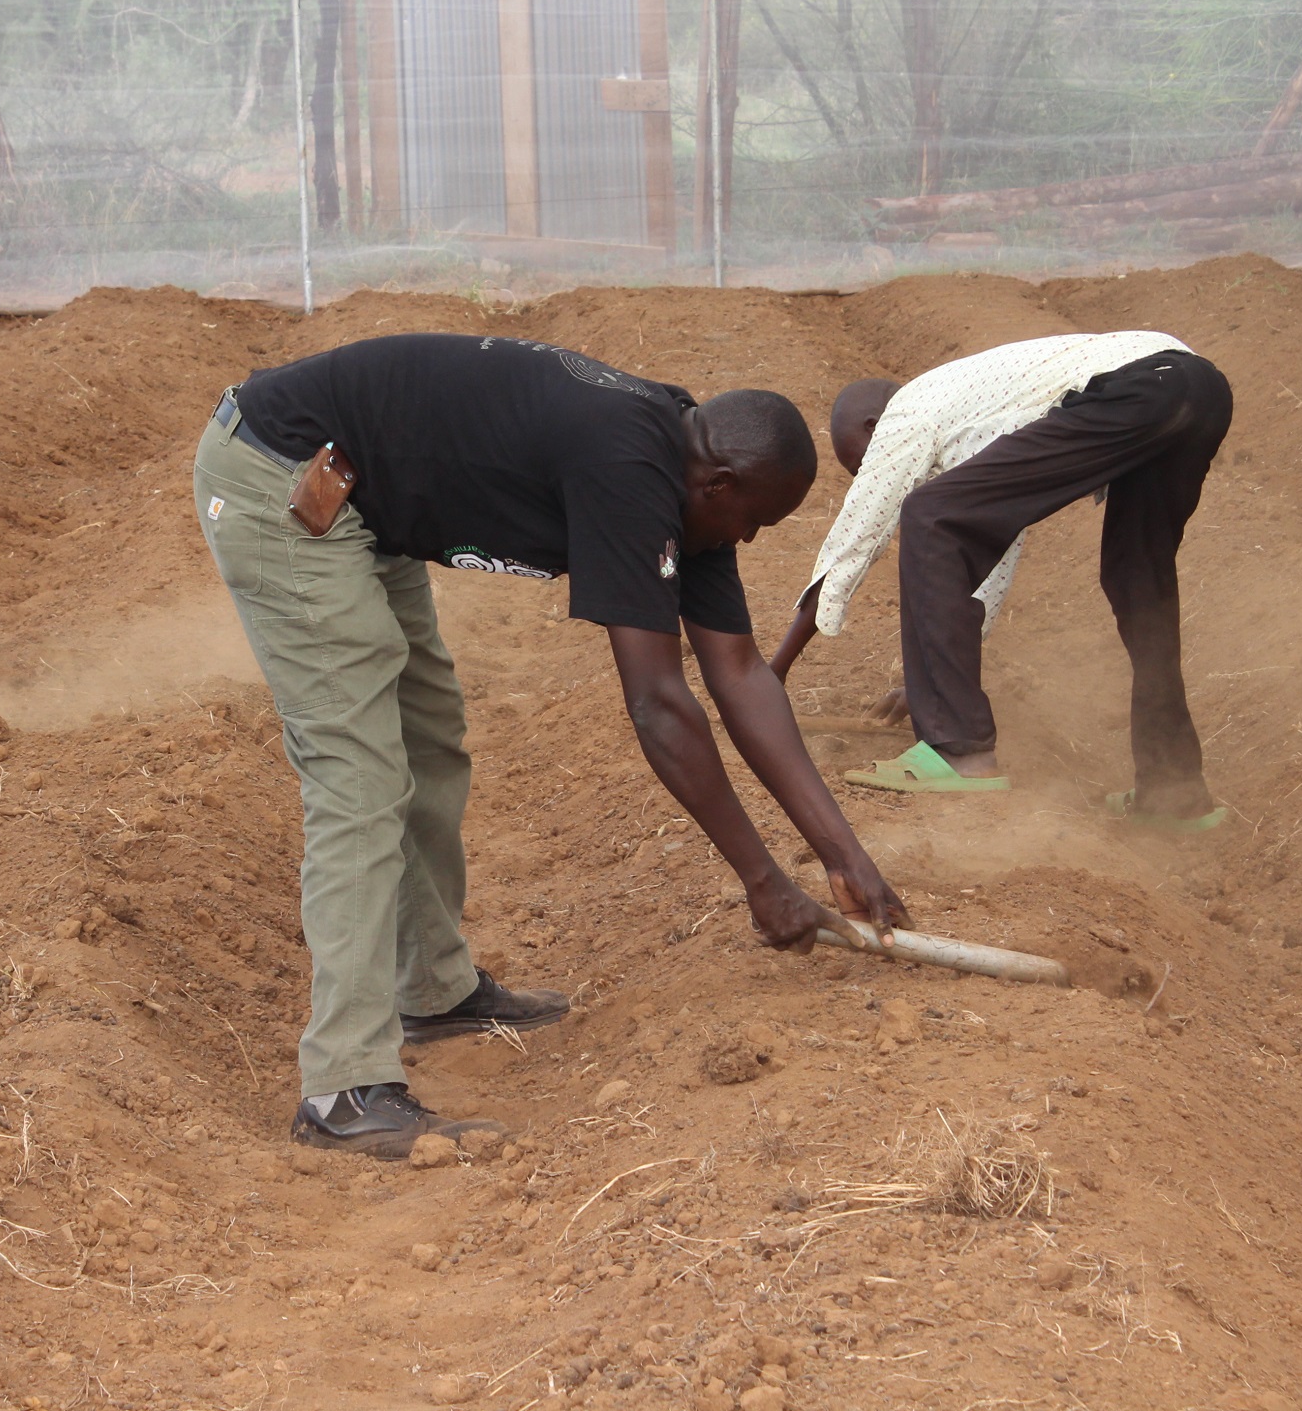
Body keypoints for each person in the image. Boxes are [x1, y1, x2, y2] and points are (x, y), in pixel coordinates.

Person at [194, 333, 909, 1159]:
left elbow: (740, 673)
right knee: (359, 775)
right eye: (754, 522)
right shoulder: (631, 470)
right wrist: (764, 881)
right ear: (719, 484)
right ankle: (342, 1087)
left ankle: (432, 987)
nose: (747, 541)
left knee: (426, 741)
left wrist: (841, 852)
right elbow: (660, 705)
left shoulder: (689, 479)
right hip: (281, 475)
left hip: (363, 499)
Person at [770, 332, 1232, 829]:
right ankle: (1174, 795)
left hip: (1140, 387)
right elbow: (988, 550)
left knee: (928, 514)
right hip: (1198, 389)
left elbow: (856, 539)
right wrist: (940, 673)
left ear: (872, 426)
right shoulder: (971, 416)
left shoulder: (906, 413)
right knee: (1138, 582)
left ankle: (959, 755)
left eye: (861, 463)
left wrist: (772, 674)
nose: (869, 471)